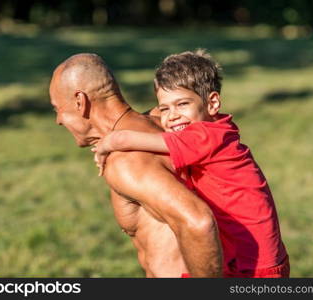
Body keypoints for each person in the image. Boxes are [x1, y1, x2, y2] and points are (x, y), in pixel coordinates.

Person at [93, 50, 290, 278]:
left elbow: (126, 138)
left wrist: (107, 143)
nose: (172, 116)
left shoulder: (203, 137)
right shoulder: (217, 128)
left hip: (256, 267)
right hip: (242, 255)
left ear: (212, 102)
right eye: (165, 108)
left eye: (182, 104)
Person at [49, 53, 223, 278]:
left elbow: (198, 223)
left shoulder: (126, 160)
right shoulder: (162, 121)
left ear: (80, 102)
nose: (58, 120)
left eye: (57, 108)